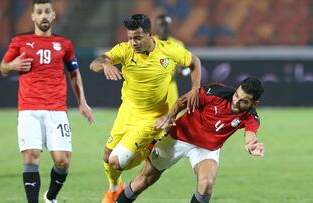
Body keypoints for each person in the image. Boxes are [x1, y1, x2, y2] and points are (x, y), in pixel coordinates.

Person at [90, 14, 202, 203]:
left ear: (150, 34)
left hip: (153, 117)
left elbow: (194, 62)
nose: (133, 42)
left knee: (117, 162)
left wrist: (195, 89)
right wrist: (107, 63)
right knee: (107, 157)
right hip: (127, 112)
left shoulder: (169, 50)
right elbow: (95, 63)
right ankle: (114, 189)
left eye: (137, 38)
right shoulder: (124, 50)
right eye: (130, 38)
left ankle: (149, 147)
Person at [0, 0, 93, 202]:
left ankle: (50, 196)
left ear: (53, 15)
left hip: (56, 110)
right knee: (31, 156)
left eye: (47, 12)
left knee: (62, 162)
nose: (43, 16)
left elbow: (74, 73)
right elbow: (3, 67)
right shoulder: (20, 41)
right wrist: (13, 65)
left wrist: (82, 103)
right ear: (33, 16)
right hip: (28, 109)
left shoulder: (65, 44)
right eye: (39, 12)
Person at [116, 77, 265, 203]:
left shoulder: (251, 116)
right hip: (179, 137)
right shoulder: (215, 92)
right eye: (236, 95)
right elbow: (183, 101)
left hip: (207, 149)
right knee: (144, 180)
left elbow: (250, 135)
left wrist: (251, 145)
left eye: (243, 101)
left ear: (254, 104)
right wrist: (171, 115)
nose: (236, 101)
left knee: (206, 184)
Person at [155, 14, 190, 108]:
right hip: (153, 86)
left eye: (167, 25)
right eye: (162, 25)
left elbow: (188, 67)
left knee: (172, 117)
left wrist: (183, 71)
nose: (164, 28)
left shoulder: (178, 44)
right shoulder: (149, 42)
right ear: (157, 26)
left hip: (170, 86)